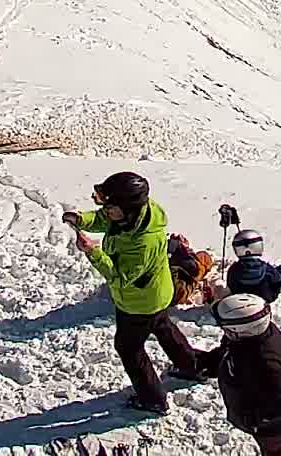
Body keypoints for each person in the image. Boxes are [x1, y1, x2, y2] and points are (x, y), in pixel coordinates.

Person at [65, 171, 209, 413]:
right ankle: (191, 366)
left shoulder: (143, 243)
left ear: (126, 208)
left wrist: (93, 252)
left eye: (112, 206)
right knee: (162, 326)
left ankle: (153, 399)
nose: (107, 210)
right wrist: (81, 219)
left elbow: (120, 277)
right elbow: (104, 218)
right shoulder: (137, 212)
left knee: (128, 347)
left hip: (139, 301)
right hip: (157, 292)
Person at [200, 292, 281, 456]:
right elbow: (229, 350)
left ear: (237, 331)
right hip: (257, 416)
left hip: (270, 425)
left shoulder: (266, 364)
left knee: (279, 450)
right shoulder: (254, 335)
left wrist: (260, 423)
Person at [222, 229, 281, 303]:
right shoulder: (265, 269)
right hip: (267, 297)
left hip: (240, 298)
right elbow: (278, 279)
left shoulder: (233, 269)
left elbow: (231, 285)